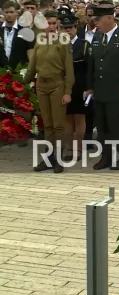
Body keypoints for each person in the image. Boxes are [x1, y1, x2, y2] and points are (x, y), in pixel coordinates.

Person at [84, 0, 119, 171]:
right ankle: (106, 157)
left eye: (98, 19)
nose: (96, 23)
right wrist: (89, 86)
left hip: (117, 91)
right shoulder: (98, 37)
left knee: (117, 126)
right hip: (100, 90)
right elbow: (92, 63)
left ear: (109, 18)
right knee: (101, 126)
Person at [24, 10, 75, 173]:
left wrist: (68, 91)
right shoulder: (39, 41)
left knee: (58, 125)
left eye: (54, 23)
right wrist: (20, 83)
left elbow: (69, 70)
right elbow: (32, 67)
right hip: (41, 86)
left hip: (57, 85)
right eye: (48, 24)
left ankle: (59, 160)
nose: (51, 27)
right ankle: (48, 158)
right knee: (47, 125)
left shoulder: (63, 42)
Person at [60, 12, 88, 162]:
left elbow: (89, 68)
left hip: (79, 85)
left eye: (70, 27)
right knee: (67, 118)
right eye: (64, 28)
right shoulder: (58, 45)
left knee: (79, 118)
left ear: (76, 27)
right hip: (63, 85)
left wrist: (89, 88)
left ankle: (78, 149)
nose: (68, 30)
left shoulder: (83, 45)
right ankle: (69, 148)